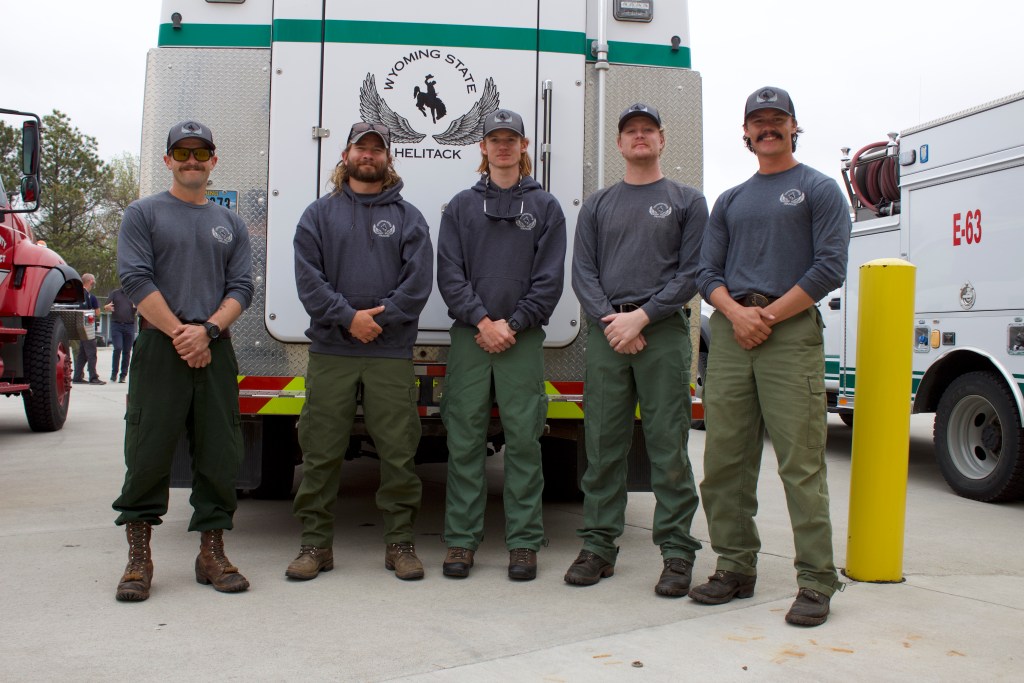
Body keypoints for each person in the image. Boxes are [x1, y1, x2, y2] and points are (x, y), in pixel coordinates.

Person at [689, 87, 850, 626]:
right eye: (758, 122)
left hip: (790, 334)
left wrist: (767, 317)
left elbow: (829, 267)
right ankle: (734, 566)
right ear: (746, 134)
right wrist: (736, 315)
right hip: (734, 335)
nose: (767, 129)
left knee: (800, 465)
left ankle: (816, 582)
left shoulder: (818, 189)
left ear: (794, 127)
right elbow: (705, 273)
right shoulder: (730, 200)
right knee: (724, 463)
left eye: (777, 120)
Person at [565, 103, 707, 595]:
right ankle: (599, 546)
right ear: (620, 143)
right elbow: (582, 271)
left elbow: (692, 271)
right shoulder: (599, 205)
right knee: (603, 445)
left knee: (668, 445)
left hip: (662, 331)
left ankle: (676, 553)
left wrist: (642, 316)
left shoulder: (687, 201)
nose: (639, 137)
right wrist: (614, 320)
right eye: (631, 132)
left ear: (662, 140)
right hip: (608, 332)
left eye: (648, 130)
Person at [112, 120, 254, 601]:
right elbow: (135, 278)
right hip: (161, 347)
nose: (192, 160)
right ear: (167, 160)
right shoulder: (143, 213)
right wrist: (179, 333)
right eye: (182, 152)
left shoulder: (230, 223)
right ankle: (138, 558)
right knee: (148, 451)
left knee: (219, 452)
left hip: (214, 347)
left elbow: (242, 288)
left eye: (201, 153)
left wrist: (208, 331)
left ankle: (211, 552)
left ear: (214, 161)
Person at [287, 122, 433, 582]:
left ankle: (401, 544)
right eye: (360, 147)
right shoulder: (317, 215)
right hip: (333, 350)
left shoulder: (409, 217)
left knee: (398, 451)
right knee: (322, 450)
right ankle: (315, 545)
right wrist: (349, 318)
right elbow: (309, 280)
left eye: (377, 149)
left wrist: (379, 318)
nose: (368, 155)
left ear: (388, 158)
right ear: (346, 155)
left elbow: (418, 283)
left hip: (390, 353)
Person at [437, 109, 566, 581]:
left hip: (523, 338)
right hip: (471, 336)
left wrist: (512, 323)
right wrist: (482, 321)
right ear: (482, 148)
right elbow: (449, 274)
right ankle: (460, 542)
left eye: (511, 139)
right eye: (495, 139)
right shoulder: (461, 207)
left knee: (525, 442)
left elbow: (549, 279)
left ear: (524, 145)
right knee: (465, 441)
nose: (504, 146)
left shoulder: (546, 207)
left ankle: (524, 543)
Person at [72, 273, 105, 385]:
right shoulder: (84, 294)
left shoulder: (82, 294)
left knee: (82, 354)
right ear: (90, 280)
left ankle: (77, 377)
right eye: (93, 280)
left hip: (81, 328)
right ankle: (93, 377)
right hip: (86, 328)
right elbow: (85, 311)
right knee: (91, 353)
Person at [104, 287, 137, 383]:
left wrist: (137, 307)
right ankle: (114, 374)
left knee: (127, 351)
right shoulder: (115, 293)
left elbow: (139, 309)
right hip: (117, 325)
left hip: (129, 325)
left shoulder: (133, 294)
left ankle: (123, 375)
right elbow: (106, 306)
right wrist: (107, 308)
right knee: (118, 348)